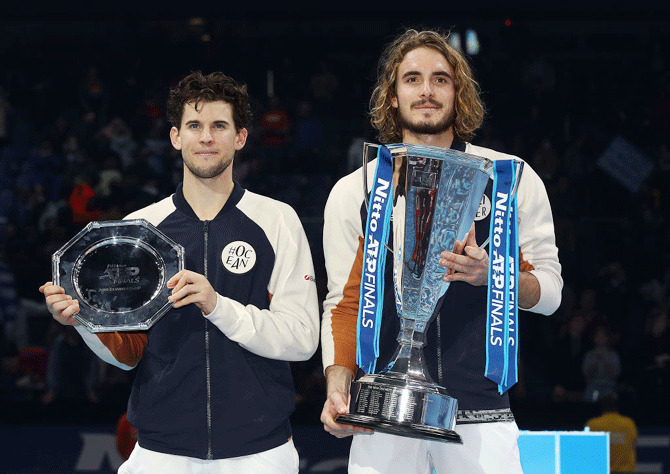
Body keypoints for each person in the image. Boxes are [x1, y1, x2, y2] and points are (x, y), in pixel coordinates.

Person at [40, 71, 320, 473]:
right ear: (176, 137)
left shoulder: (277, 220)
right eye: (195, 125)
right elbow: (128, 354)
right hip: (160, 453)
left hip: (260, 452)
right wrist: (82, 318)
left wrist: (218, 305)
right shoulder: (140, 229)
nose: (206, 137)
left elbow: (302, 339)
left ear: (240, 138)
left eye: (219, 125)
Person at [320, 29, 563, 474]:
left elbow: (550, 294)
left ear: (459, 93)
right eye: (411, 79)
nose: (426, 90)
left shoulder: (510, 179)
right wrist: (338, 385)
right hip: (383, 412)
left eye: (440, 79)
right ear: (391, 96)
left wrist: (497, 275)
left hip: (481, 409)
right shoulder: (355, 188)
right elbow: (344, 303)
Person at [585, 392, 638, 473]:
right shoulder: (629, 423)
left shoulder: (592, 424)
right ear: (618, 406)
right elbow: (633, 443)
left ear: (602, 406)